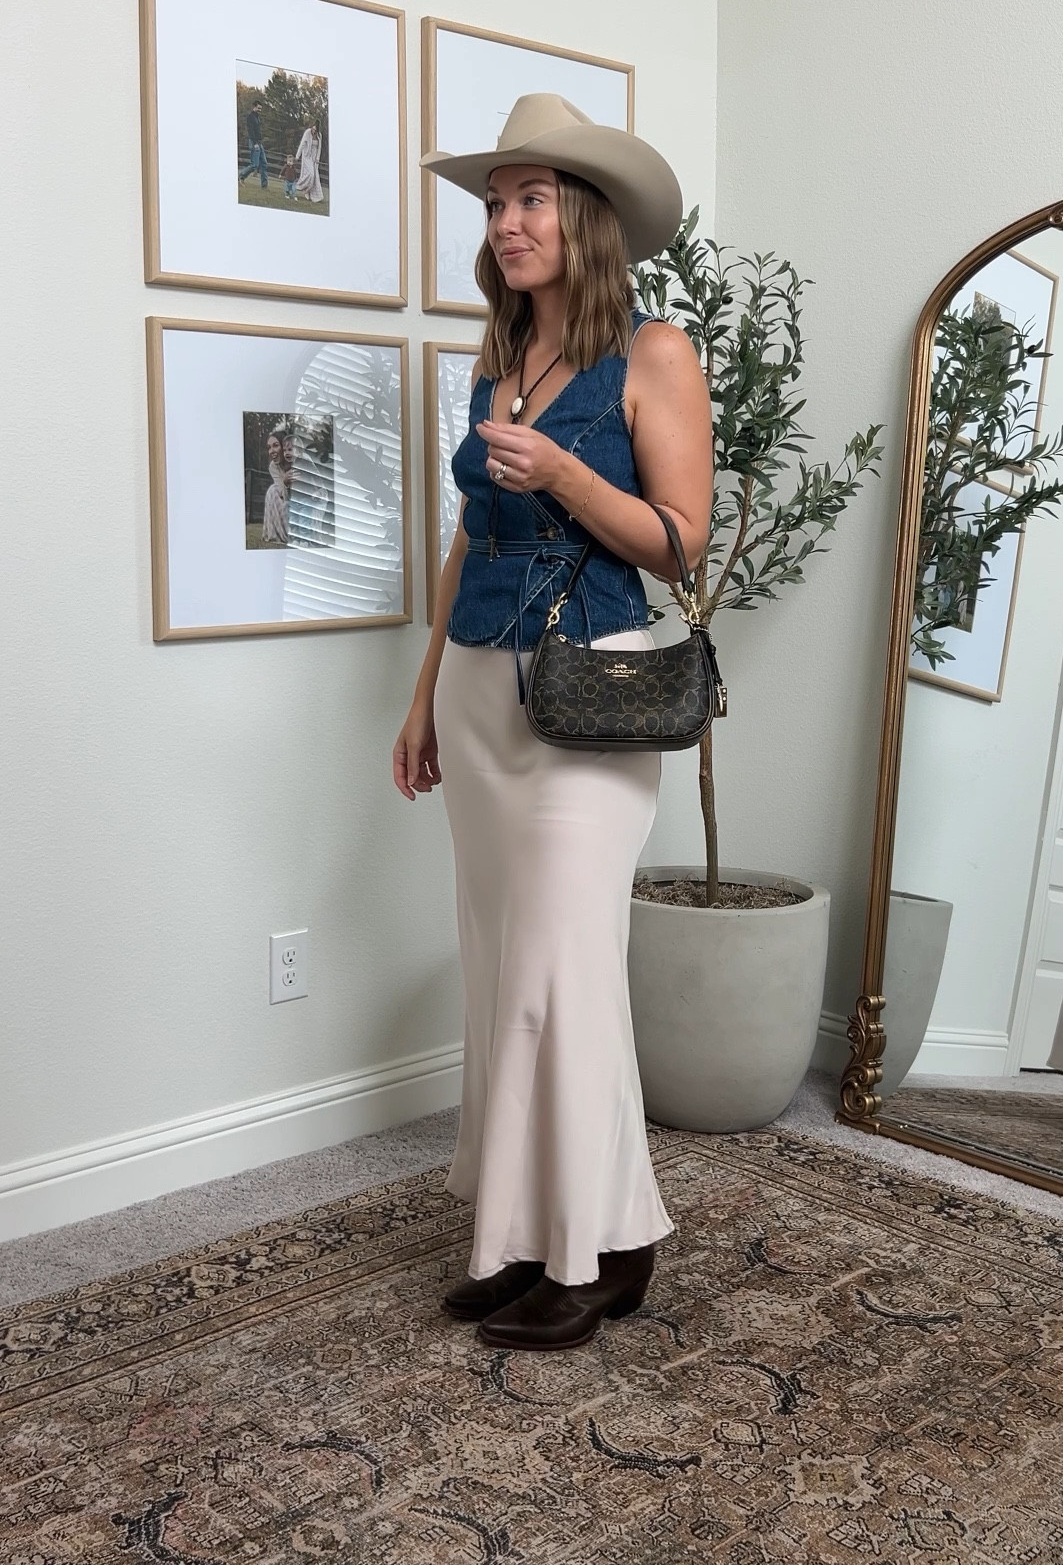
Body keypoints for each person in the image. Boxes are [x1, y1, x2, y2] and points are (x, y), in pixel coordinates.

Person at [393, 93, 713, 1352]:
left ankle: (602, 1254)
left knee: (561, 975)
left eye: (532, 199)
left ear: (584, 221)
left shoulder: (655, 352)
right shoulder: (497, 356)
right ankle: (530, 1233)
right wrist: (422, 695)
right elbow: (471, 535)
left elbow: (684, 547)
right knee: (500, 967)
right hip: (482, 690)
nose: (508, 222)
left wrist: (572, 473)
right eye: (494, 202)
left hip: (593, 694)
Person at [261, 429, 290, 546]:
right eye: (269, 447)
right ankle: (276, 533)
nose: (271, 451)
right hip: (289, 499)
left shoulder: (299, 460)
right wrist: (286, 482)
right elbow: (283, 495)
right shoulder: (273, 467)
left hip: (312, 499)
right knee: (273, 490)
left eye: (276, 446)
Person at [239, 102, 269, 188]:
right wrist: (255, 143)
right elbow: (250, 131)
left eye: (260, 109)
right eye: (258, 108)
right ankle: (241, 176)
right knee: (254, 164)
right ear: (254, 107)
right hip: (254, 142)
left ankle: (264, 186)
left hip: (259, 142)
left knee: (264, 163)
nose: (260, 110)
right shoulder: (250, 117)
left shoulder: (257, 117)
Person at [294, 121, 324, 204]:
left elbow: (319, 148)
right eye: (313, 129)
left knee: (315, 177)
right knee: (310, 174)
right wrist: (297, 156)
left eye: (315, 130)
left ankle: (312, 195)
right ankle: (298, 186)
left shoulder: (319, 136)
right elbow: (302, 144)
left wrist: (317, 158)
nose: (313, 131)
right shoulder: (307, 132)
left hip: (314, 158)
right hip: (307, 156)